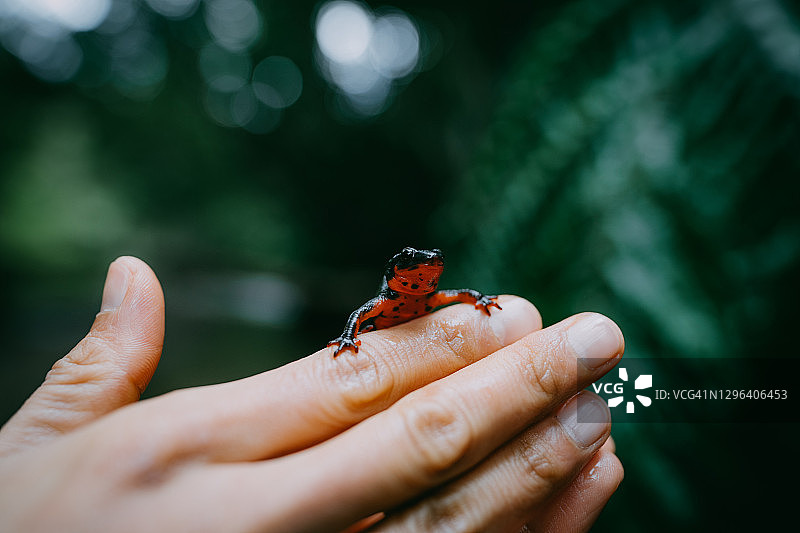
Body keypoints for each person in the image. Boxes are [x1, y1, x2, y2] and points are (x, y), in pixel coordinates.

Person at [0, 256, 624, 532]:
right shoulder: (386, 300)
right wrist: (348, 346)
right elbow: (363, 314)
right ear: (399, 274)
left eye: (432, 268)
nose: (426, 274)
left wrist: (482, 302)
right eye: (415, 267)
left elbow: (461, 298)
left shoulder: (438, 296)